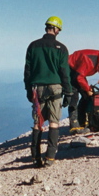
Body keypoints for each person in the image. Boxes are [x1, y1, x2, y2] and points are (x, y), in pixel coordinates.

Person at [24, 16, 72, 168]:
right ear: (57, 29)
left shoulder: (33, 46)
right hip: (56, 87)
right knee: (54, 122)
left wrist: (28, 89)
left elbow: (28, 71)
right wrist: (68, 92)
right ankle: (50, 157)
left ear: (46, 27)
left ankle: (35, 157)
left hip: (37, 87)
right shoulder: (61, 48)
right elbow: (64, 71)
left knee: (38, 122)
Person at [67, 48, 99, 134]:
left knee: (87, 96)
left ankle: (82, 122)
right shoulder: (89, 61)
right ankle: (74, 126)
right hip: (69, 69)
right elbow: (79, 77)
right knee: (74, 96)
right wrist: (88, 89)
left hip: (78, 71)